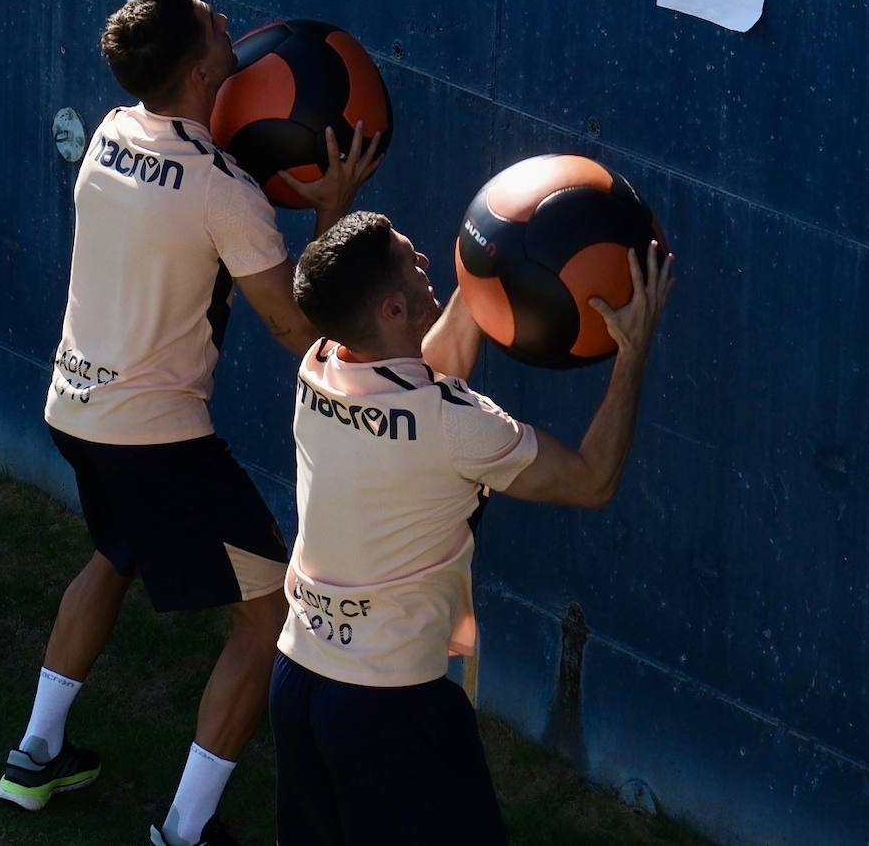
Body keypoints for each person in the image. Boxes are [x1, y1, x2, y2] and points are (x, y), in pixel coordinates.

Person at [0, 0, 382, 846]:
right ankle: (183, 830)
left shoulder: (111, 129)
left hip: (76, 411)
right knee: (268, 610)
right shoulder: (223, 191)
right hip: (156, 442)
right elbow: (297, 330)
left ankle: (35, 756)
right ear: (205, 72)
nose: (227, 24)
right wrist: (332, 212)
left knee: (117, 550)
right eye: (213, 24)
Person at [271, 210, 675, 845]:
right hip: (391, 707)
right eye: (412, 263)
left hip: (297, 681)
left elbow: (429, 373)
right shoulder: (457, 424)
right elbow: (592, 479)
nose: (425, 264)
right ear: (390, 310)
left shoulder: (320, 366)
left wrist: (488, 263)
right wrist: (633, 349)